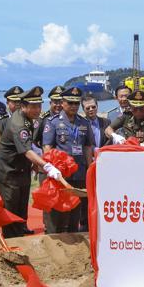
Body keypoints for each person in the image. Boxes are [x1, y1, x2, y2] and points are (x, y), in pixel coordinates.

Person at [0, 87, 62, 237]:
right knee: (11, 211)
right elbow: (27, 151)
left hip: (21, 170)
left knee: (21, 210)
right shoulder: (18, 124)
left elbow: (31, 145)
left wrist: (35, 163)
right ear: (23, 106)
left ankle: (19, 240)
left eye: (39, 106)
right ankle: (11, 244)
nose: (37, 110)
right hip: (8, 173)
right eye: (33, 107)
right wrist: (47, 166)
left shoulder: (29, 119)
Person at [43, 87, 94, 233]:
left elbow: (87, 148)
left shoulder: (84, 123)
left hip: (79, 172)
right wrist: (51, 170)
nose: (73, 106)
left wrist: (90, 169)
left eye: (76, 104)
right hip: (61, 174)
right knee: (59, 210)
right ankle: (55, 237)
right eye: (70, 103)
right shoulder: (52, 122)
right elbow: (47, 148)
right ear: (63, 103)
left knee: (76, 210)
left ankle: (73, 237)